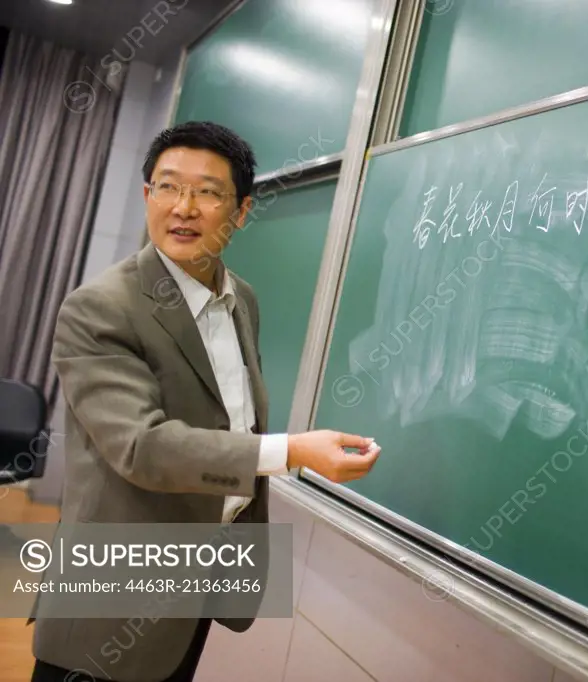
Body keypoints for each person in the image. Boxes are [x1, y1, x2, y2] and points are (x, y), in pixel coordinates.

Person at [29, 121, 381, 682]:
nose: (184, 207)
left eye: (208, 192)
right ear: (147, 196)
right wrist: (292, 451)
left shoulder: (241, 298)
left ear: (241, 211)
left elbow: (226, 417)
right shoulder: (99, 308)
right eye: (168, 187)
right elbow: (142, 447)